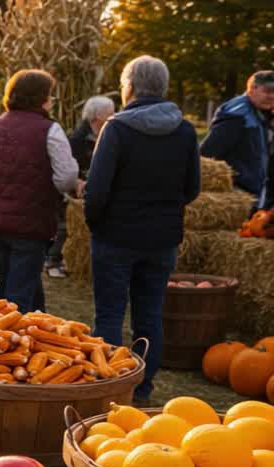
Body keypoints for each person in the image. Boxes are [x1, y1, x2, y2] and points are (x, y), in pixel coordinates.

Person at [85, 55, 201, 402]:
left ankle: (107, 386)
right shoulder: (184, 130)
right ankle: (142, 387)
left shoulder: (117, 128)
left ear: (130, 87)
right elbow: (192, 188)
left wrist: (96, 224)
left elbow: (97, 189)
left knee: (109, 314)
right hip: (162, 238)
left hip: (115, 237)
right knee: (149, 314)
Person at [0, 69, 79, 313]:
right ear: (41, 98)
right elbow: (66, 177)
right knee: (20, 293)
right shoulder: (49, 130)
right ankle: (15, 344)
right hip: (30, 224)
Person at [46, 95, 116, 278]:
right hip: (72, 191)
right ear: (97, 116)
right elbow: (66, 167)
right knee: (65, 225)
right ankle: (53, 260)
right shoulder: (76, 140)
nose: (114, 116)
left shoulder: (111, 136)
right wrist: (77, 182)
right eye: (110, 113)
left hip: (96, 190)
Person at [202, 70, 274, 211]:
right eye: (267, 91)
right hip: (241, 198)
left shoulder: (266, 114)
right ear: (252, 89)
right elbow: (207, 155)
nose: (272, 96)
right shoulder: (236, 116)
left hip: (262, 197)